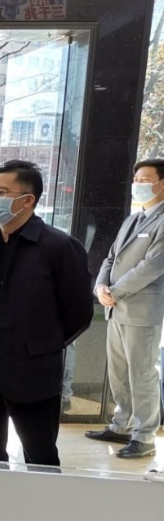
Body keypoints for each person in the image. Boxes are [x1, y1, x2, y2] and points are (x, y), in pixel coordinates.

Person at [0, 160, 93, 466]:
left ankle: (43, 500)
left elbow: (78, 313)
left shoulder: (60, 247)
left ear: (27, 200)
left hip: (32, 373)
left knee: (40, 457)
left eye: (2, 192)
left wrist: (42, 345)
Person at [87, 159, 164, 458]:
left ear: (161, 184)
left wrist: (114, 292)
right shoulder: (133, 219)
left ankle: (144, 437)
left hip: (141, 312)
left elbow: (151, 266)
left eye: (144, 179)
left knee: (142, 375)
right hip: (115, 308)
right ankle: (122, 425)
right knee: (119, 373)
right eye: (136, 179)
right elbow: (110, 257)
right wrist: (100, 287)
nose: (137, 184)